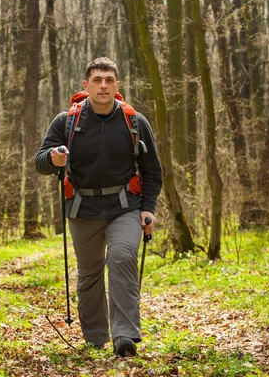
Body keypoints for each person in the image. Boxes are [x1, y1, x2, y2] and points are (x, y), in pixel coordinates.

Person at [35, 57, 162, 357]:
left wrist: (148, 208)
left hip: (125, 207)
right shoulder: (67, 121)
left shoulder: (134, 122)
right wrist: (53, 157)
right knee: (90, 273)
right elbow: (40, 160)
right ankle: (95, 338)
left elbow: (152, 171)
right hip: (82, 208)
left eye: (108, 80)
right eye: (97, 80)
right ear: (86, 85)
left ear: (118, 85)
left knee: (121, 257)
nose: (103, 85)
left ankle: (125, 335)